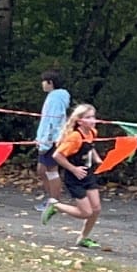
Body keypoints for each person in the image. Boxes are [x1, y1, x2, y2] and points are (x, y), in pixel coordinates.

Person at [39, 103, 104, 249]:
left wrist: (97, 158)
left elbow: (90, 147)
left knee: (96, 209)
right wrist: (73, 169)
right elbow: (58, 155)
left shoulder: (92, 132)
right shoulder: (75, 137)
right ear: (79, 121)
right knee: (86, 212)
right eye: (88, 117)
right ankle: (55, 206)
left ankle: (83, 238)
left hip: (88, 175)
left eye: (93, 116)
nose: (93, 120)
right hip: (75, 178)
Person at [33, 69, 71, 204]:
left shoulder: (56, 99)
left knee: (51, 170)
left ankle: (54, 201)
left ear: (50, 82)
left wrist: (47, 141)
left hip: (52, 140)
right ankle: (50, 197)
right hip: (46, 139)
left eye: (44, 81)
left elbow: (53, 121)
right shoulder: (52, 97)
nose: (42, 84)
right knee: (41, 169)